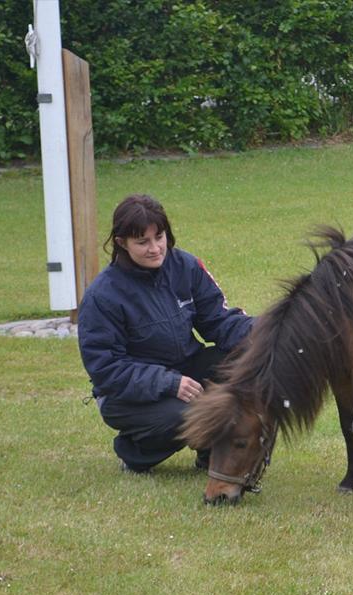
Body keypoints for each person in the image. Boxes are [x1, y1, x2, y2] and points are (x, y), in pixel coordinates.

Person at [78, 194, 254, 473]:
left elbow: (219, 322)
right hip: (124, 394)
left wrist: (266, 332)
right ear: (121, 243)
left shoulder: (186, 266)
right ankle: (134, 452)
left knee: (247, 363)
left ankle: (211, 452)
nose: (155, 248)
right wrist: (169, 383)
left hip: (185, 369)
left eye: (159, 237)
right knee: (186, 415)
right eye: (142, 242)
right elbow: (106, 370)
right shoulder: (102, 296)